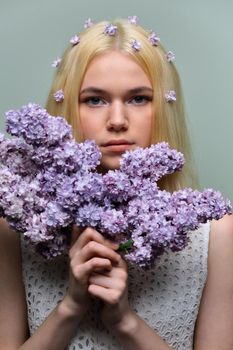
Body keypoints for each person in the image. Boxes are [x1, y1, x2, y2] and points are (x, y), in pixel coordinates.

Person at [0, 17, 233, 350]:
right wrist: (70, 308)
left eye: (138, 98)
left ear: (164, 107)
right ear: (67, 107)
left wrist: (125, 322)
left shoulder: (216, 236)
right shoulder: (15, 231)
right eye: (95, 100)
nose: (118, 121)